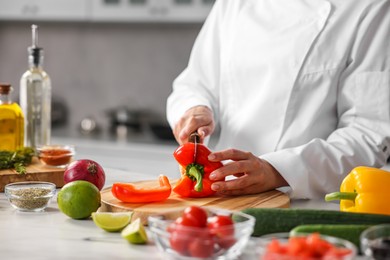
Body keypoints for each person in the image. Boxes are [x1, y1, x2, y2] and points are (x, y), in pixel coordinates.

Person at [166, 0, 390, 199]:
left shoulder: (371, 8)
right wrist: (195, 109)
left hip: (301, 203)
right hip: (219, 195)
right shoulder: (232, 4)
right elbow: (195, 84)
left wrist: (276, 170)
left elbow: (368, 134)